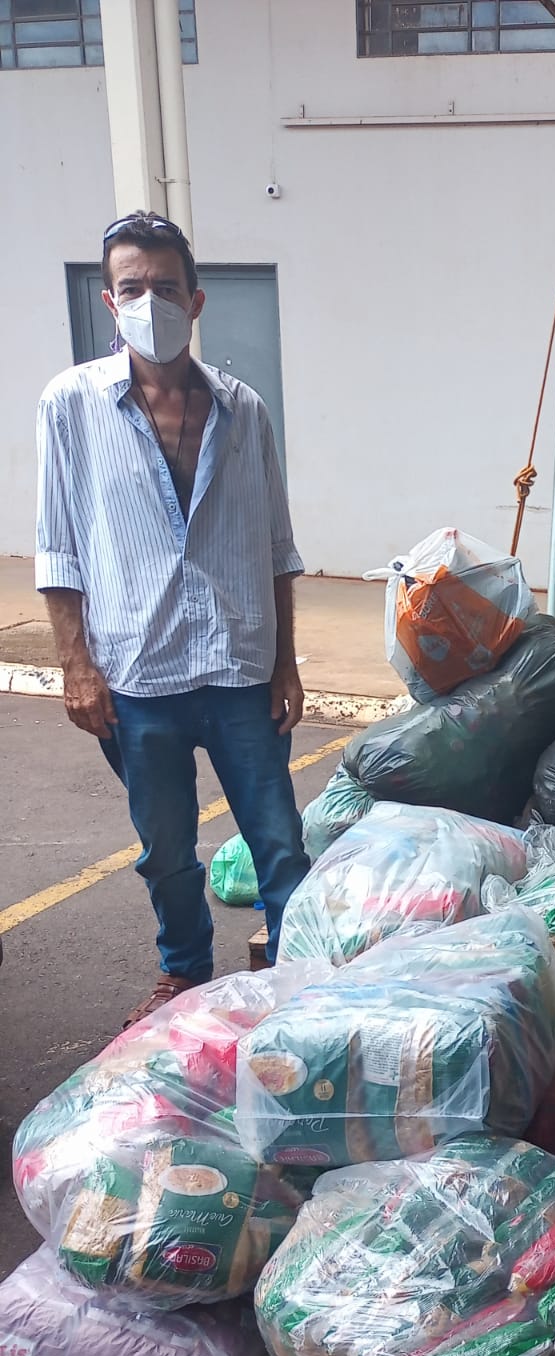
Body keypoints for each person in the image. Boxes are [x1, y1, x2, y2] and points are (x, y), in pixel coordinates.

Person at [35, 210, 310, 1028]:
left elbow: (277, 547)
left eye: (163, 286)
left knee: (279, 842)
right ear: (110, 301)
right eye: (131, 288)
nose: (147, 301)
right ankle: (183, 973)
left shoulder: (243, 410)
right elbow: (58, 548)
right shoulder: (71, 405)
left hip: (239, 668)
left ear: (195, 300)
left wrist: (287, 663)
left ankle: (298, 982)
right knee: (164, 851)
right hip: (138, 673)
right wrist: (76, 667)